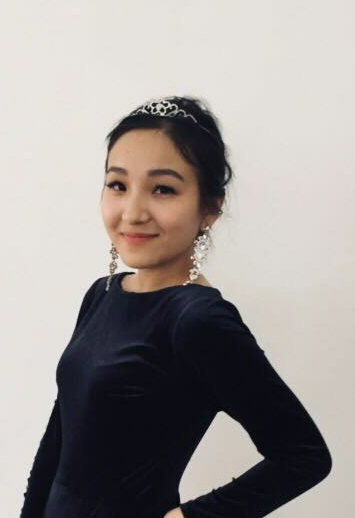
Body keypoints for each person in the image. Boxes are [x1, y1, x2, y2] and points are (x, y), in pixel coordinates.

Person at [19, 96, 332, 518]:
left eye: (163, 189)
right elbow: (57, 442)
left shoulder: (198, 321)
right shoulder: (102, 294)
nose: (133, 212)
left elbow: (303, 455)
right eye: (118, 185)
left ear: (210, 207)